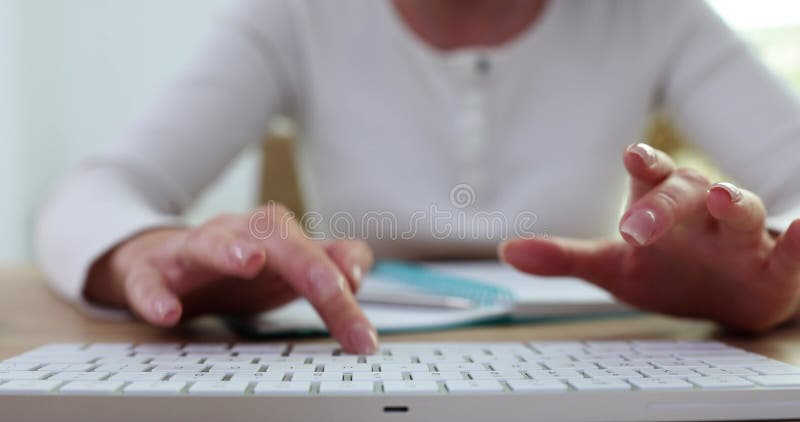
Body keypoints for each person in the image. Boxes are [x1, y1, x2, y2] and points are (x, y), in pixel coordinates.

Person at [36, 0, 800, 355]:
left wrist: (774, 276)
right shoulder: (295, 16)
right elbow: (98, 191)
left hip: (584, 362)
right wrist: (146, 252)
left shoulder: (653, 16)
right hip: (350, 363)